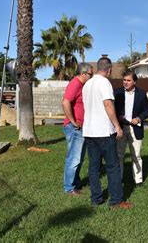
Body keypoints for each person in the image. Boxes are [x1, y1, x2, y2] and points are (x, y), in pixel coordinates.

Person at [82, 56, 133, 209]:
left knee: (93, 167)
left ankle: (96, 199)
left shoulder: (87, 84)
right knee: (113, 166)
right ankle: (116, 201)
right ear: (109, 70)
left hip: (89, 131)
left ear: (98, 68)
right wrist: (117, 126)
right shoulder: (105, 83)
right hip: (104, 131)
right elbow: (108, 104)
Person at [114, 70, 148, 187]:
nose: (125, 82)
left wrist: (139, 118)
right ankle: (118, 179)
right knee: (119, 155)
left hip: (136, 128)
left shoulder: (141, 93)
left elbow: (147, 110)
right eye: (124, 80)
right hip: (121, 127)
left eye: (128, 80)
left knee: (136, 155)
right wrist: (118, 116)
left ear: (134, 81)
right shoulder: (117, 92)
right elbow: (111, 109)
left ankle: (138, 180)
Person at [61, 63, 93, 196]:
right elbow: (65, 102)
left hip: (81, 127)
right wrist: (73, 121)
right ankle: (69, 188)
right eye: (90, 74)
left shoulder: (82, 85)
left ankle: (75, 183)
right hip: (75, 128)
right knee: (73, 159)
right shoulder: (75, 83)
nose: (91, 76)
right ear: (83, 74)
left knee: (79, 158)